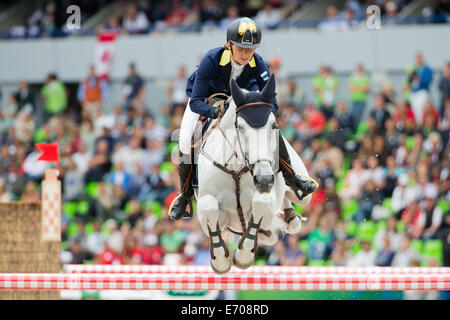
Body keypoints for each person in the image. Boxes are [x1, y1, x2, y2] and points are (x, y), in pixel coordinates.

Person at [168, 17, 318, 220]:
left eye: (251, 49)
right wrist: (213, 112)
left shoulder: (257, 63)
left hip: (239, 104)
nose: (247, 54)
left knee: (268, 127)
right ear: (229, 44)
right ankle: (184, 196)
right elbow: (195, 102)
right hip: (206, 102)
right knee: (185, 139)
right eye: (241, 48)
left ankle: (292, 178)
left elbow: (270, 100)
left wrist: (263, 111)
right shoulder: (211, 60)